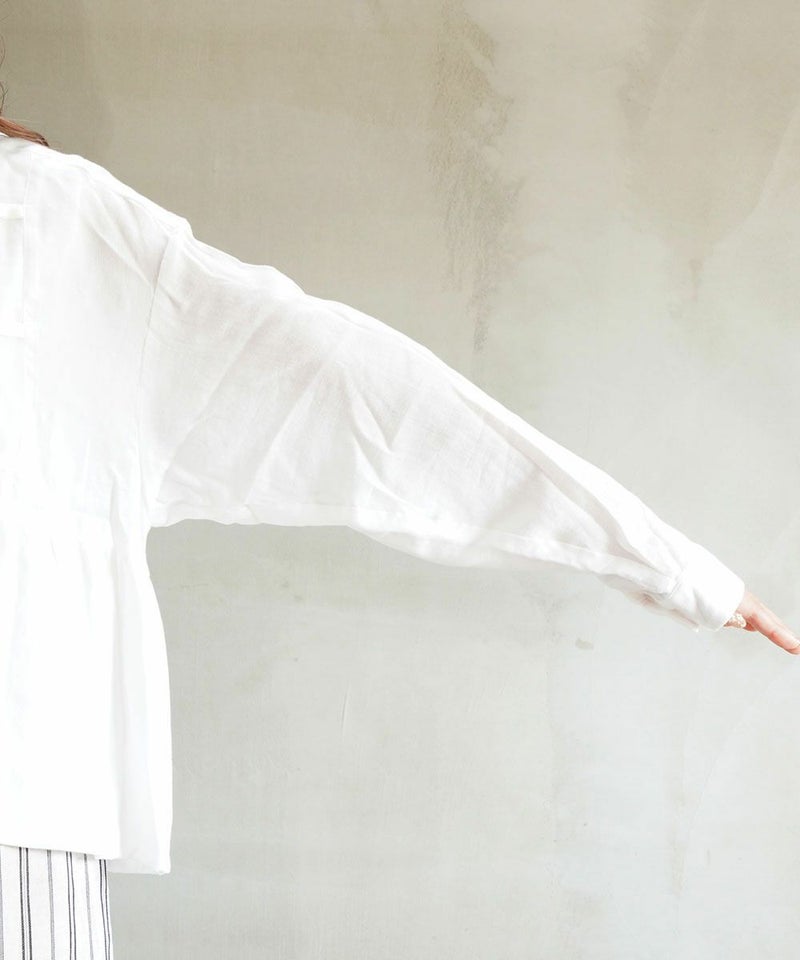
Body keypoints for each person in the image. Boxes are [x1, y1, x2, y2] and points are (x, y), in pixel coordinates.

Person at [0, 111, 795, 957]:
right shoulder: (55, 225)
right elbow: (359, 387)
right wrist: (671, 564)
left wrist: (663, 558)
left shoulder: (55, 226)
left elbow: (356, 387)